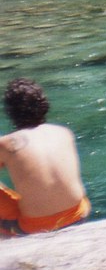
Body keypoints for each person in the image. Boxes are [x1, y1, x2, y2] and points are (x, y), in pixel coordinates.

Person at [1, 78, 90, 236]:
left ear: (11, 112)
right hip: (79, 214)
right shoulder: (63, 132)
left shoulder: (7, 144)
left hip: (37, 227)